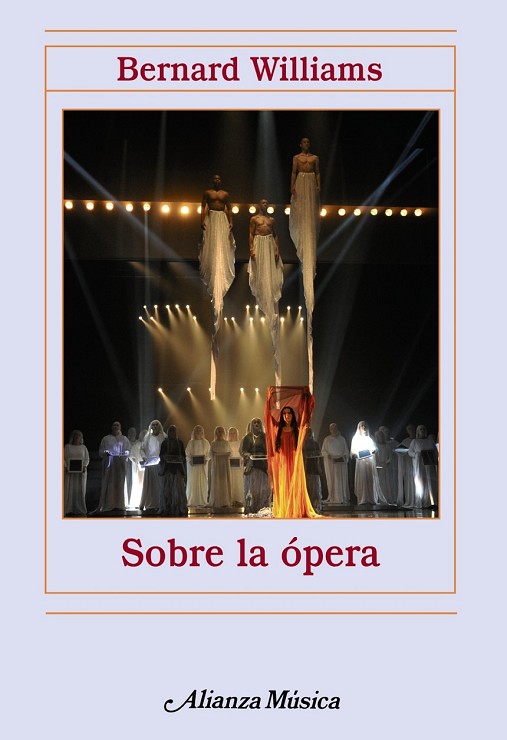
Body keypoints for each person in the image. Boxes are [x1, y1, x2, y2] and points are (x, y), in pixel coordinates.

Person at [199, 174, 236, 399]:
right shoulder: (208, 193)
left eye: (220, 179)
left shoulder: (224, 195)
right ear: (212, 181)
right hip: (212, 219)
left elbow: (229, 208)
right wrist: (202, 220)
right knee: (212, 254)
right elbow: (203, 206)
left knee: (222, 253)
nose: (217, 181)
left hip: (221, 219)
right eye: (215, 179)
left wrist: (230, 221)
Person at [289, 137, 321, 392]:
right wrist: (293, 187)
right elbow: (293, 172)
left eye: (308, 142)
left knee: (311, 233)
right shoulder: (297, 159)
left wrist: (318, 186)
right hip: (301, 184)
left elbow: (317, 173)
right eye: (303, 142)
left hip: (311, 185)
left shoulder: (314, 159)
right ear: (300, 144)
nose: (306, 145)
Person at [264, 386, 320, 518]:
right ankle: (285, 508)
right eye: (284, 413)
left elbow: (306, 417)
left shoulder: (298, 429)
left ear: (292, 415)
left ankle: (295, 509)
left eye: (289, 413)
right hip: (283, 462)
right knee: (284, 485)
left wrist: (306, 398)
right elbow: (268, 417)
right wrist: (269, 400)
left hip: (295, 462)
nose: (287, 415)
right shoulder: (277, 429)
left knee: (294, 484)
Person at [248, 198, 284, 385]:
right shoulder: (254, 219)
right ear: (258, 205)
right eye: (262, 202)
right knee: (261, 274)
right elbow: (251, 234)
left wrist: (277, 250)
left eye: (266, 203)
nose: (264, 204)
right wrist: (251, 248)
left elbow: (276, 235)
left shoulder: (271, 220)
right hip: (259, 244)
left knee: (271, 275)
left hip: (269, 244)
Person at [95, 421, 130, 514]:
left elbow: (128, 450)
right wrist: (106, 452)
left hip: (120, 465)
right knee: (110, 484)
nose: (116, 426)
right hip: (110, 466)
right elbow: (101, 451)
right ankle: (110, 504)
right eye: (114, 425)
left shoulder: (124, 439)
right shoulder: (106, 439)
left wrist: (126, 453)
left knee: (120, 484)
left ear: (120, 427)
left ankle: (120, 504)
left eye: (117, 425)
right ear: (111, 427)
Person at [350, 421, 387, 506]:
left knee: (370, 479)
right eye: (362, 426)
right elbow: (353, 451)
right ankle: (363, 498)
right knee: (362, 479)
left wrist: (374, 451)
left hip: (370, 462)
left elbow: (375, 448)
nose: (364, 428)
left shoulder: (370, 438)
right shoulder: (356, 438)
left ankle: (371, 498)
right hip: (361, 463)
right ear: (359, 428)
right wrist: (357, 454)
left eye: (365, 426)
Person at [240, 417, 271, 514]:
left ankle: (262, 508)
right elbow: (244, 450)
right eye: (254, 422)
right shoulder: (247, 437)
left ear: (261, 425)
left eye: (258, 422)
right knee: (251, 488)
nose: (256, 424)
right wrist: (247, 455)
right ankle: (251, 508)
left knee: (263, 488)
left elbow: (269, 450)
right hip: (251, 466)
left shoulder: (265, 437)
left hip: (262, 465)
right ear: (251, 425)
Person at [158, 425, 187, 517]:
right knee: (167, 490)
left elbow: (183, 456)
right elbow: (161, 455)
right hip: (167, 470)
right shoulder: (164, 443)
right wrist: (166, 458)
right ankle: (167, 508)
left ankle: (178, 508)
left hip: (177, 469)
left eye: (174, 431)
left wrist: (179, 459)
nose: (172, 433)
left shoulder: (180, 443)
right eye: (170, 431)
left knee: (178, 490)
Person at [139, 420, 166, 515]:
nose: (155, 426)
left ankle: (160, 503)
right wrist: (144, 458)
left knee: (160, 485)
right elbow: (142, 449)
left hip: (160, 465)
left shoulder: (164, 437)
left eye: (156, 425)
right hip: (149, 465)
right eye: (153, 425)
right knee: (150, 486)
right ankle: (150, 504)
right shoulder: (147, 437)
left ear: (159, 426)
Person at [408, 424, 438, 509]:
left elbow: (435, 452)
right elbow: (410, 452)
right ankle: (421, 503)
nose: (422, 431)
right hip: (419, 464)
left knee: (430, 482)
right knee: (420, 481)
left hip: (429, 465)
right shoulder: (414, 441)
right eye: (420, 429)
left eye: (424, 429)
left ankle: (432, 502)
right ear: (418, 431)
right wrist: (416, 455)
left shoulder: (430, 441)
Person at [321, 423, 350, 504]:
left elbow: (346, 451)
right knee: (332, 479)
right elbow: (323, 451)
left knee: (340, 480)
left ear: (337, 428)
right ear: (330, 430)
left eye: (335, 428)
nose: (333, 430)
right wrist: (328, 455)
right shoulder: (327, 439)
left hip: (340, 464)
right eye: (332, 428)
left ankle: (341, 497)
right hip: (331, 463)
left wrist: (343, 456)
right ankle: (333, 497)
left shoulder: (342, 439)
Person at [64, 429, 89, 516]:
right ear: (73, 436)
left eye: (79, 435)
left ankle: (79, 509)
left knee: (80, 490)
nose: (77, 436)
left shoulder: (83, 447)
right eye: (76, 434)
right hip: (69, 473)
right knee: (69, 489)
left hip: (81, 473)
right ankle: (68, 508)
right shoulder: (68, 447)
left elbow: (87, 458)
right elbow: (63, 458)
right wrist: (66, 466)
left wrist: (84, 466)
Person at [185, 425, 211, 507]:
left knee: (202, 482)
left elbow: (209, 453)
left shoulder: (206, 442)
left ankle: (202, 501)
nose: (198, 431)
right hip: (193, 467)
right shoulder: (191, 442)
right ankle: (192, 500)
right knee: (193, 482)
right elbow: (187, 454)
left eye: (200, 430)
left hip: (202, 467)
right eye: (197, 430)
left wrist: (206, 459)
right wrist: (190, 461)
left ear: (202, 432)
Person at [209, 426, 233, 508]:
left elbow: (231, 453)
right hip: (216, 465)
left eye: (221, 431)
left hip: (225, 465)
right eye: (218, 431)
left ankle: (225, 501)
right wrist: (214, 454)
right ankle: (217, 501)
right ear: (216, 433)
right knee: (217, 481)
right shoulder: (213, 443)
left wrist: (228, 454)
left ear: (224, 433)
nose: (220, 433)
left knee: (224, 481)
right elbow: (210, 454)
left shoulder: (226, 443)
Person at [302, 427, 323, 514]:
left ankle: (316, 506)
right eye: (307, 433)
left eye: (310, 433)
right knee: (308, 488)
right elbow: (302, 454)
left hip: (314, 468)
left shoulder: (315, 443)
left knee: (316, 489)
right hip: (306, 468)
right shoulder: (303, 444)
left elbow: (319, 453)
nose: (309, 435)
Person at [396, 424, 416, 507]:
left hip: (417, 464)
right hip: (409, 465)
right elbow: (399, 451)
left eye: (412, 428)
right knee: (409, 483)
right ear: (407, 431)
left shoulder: (418, 440)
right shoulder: (405, 441)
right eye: (409, 429)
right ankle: (410, 499)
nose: (411, 430)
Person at [227, 427, 245, 507]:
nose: (232, 434)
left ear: (237, 433)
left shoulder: (240, 442)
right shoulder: (227, 443)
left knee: (238, 482)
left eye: (234, 432)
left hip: (239, 465)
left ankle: (239, 499)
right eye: (231, 433)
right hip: (229, 466)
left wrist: (242, 459)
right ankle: (231, 499)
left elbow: (243, 453)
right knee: (231, 481)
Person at [125, 426, 137, 507]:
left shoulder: (137, 442)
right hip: (127, 463)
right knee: (127, 481)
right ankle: (127, 500)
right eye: (131, 432)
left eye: (133, 432)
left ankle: (133, 500)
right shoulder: (126, 442)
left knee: (134, 482)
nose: (132, 434)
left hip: (135, 464)